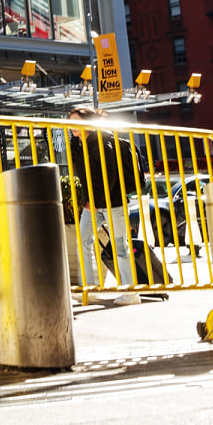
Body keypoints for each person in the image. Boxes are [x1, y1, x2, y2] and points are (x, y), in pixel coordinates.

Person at [66, 106, 145, 305]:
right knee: (83, 240)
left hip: (113, 202)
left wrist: (95, 201)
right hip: (92, 203)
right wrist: (87, 200)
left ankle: (131, 292)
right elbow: (84, 177)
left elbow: (109, 176)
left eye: (76, 122)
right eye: (70, 123)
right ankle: (90, 289)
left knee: (120, 246)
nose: (72, 128)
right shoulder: (78, 145)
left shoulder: (103, 141)